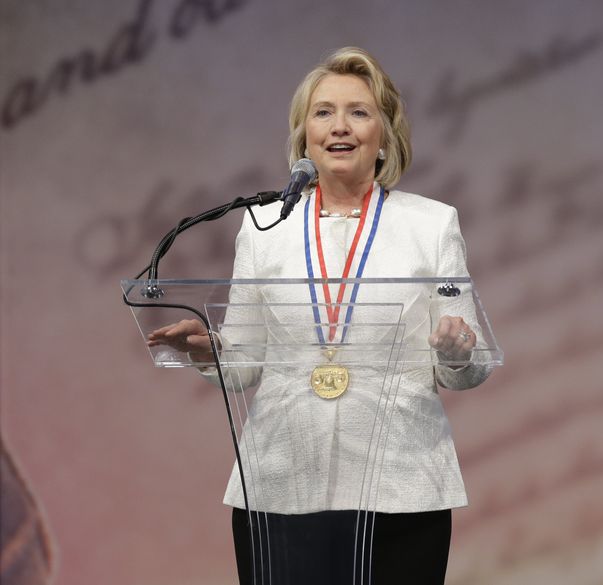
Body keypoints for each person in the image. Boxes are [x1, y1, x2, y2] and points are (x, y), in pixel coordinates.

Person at [147, 47, 491, 584]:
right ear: (303, 134)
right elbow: (242, 362)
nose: (340, 126)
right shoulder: (264, 226)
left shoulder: (431, 225)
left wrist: (456, 350)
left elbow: (468, 366)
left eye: (359, 112)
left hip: (401, 485)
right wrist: (206, 350)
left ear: (385, 135)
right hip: (282, 480)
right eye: (323, 112)